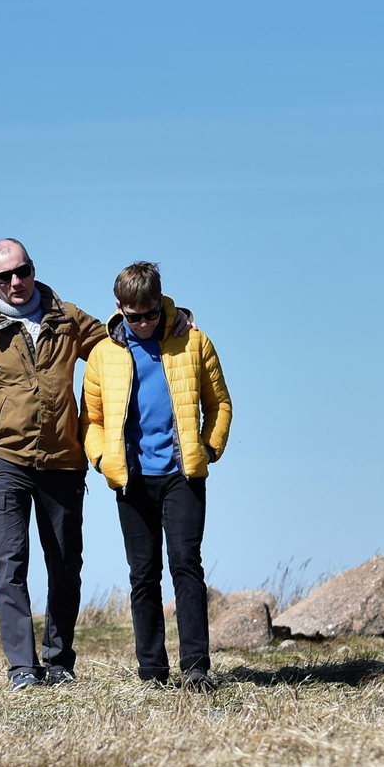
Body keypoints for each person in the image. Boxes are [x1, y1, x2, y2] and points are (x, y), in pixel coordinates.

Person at [0, 239, 117, 688]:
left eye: (22, 271)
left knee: (64, 567)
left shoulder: (67, 317)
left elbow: (116, 341)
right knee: (10, 567)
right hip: (5, 467)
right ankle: (22, 667)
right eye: (4, 277)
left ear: (33, 269)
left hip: (62, 464)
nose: (16, 283)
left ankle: (59, 661)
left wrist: (170, 315)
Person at [82, 260, 232, 690]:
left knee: (186, 565)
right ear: (119, 308)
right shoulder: (102, 355)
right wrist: (101, 460)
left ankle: (196, 668)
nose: (144, 323)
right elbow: (89, 419)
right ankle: (151, 671)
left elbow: (219, 403)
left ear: (161, 303)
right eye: (134, 317)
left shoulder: (194, 342)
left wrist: (209, 447)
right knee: (143, 574)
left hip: (183, 476)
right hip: (131, 480)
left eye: (151, 313)